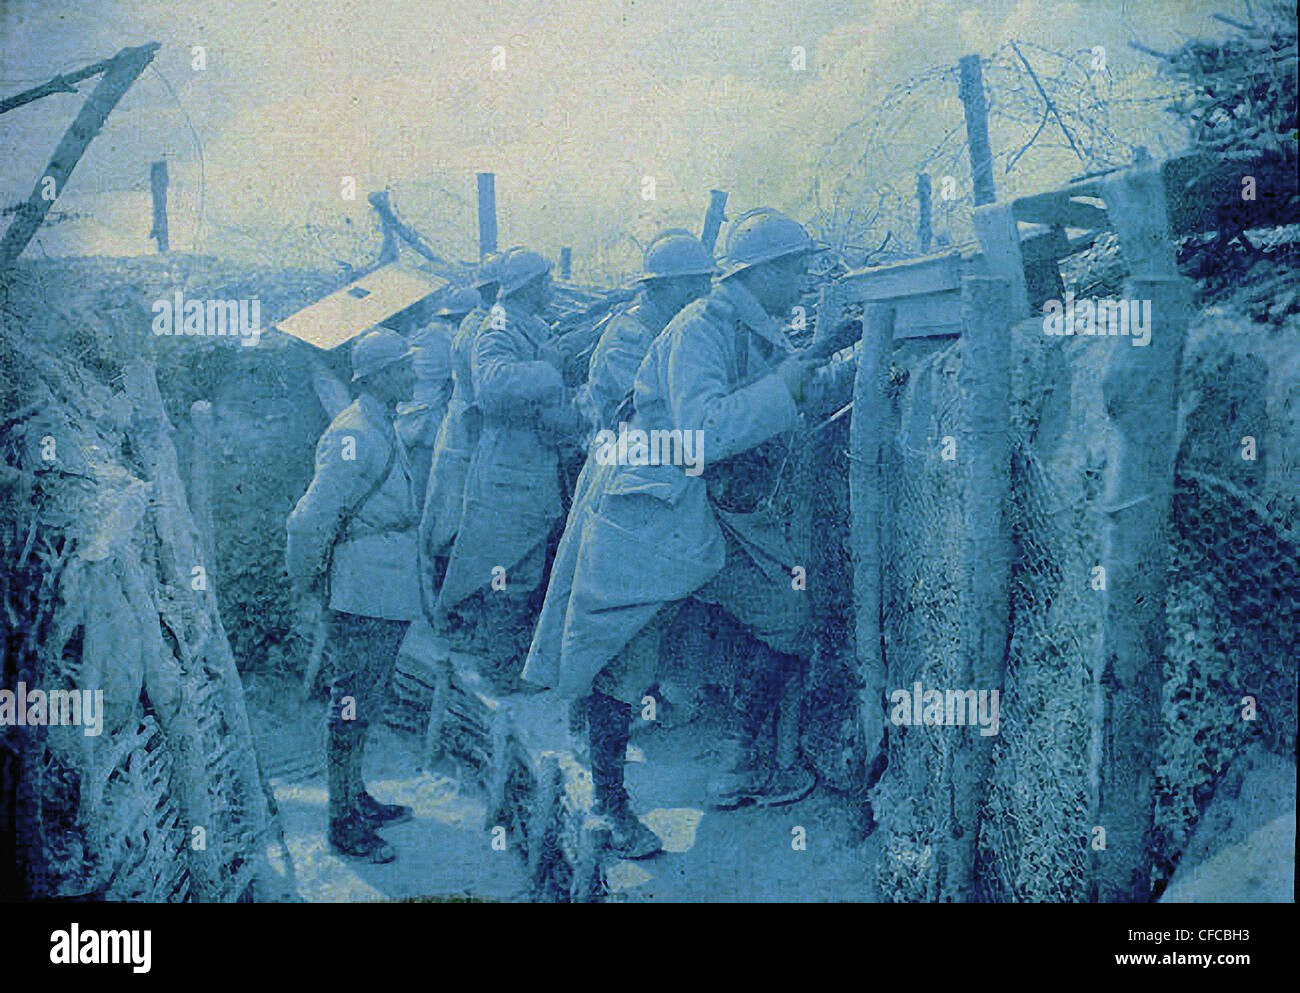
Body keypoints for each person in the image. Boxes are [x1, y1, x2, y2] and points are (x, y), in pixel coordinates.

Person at [522, 209, 861, 858]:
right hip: (648, 513)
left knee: (788, 617)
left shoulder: (752, 329)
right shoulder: (700, 329)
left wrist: (845, 356)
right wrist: (797, 371)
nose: (802, 280)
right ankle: (611, 803)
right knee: (622, 659)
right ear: (759, 274)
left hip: (707, 518)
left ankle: (739, 763)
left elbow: (796, 399)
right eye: (793, 268)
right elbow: (702, 433)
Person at [286, 328, 421, 863]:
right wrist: (305, 583)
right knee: (350, 705)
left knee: (366, 700)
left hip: (383, 589)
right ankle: (341, 821)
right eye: (403, 369)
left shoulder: (378, 424)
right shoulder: (353, 434)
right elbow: (307, 521)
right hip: (361, 593)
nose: (412, 376)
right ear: (378, 377)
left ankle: (355, 796)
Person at [433, 249, 578, 688]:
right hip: (509, 472)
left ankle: (498, 659)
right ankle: (496, 666)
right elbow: (493, 386)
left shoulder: (524, 325)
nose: (551, 290)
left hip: (526, 471)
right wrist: (549, 371)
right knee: (504, 570)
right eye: (545, 282)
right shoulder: (497, 326)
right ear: (527, 287)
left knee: (520, 570)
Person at [396, 287, 479, 501]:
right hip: (423, 426)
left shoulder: (428, 336)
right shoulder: (439, 340)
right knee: (423, 489)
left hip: (409, 421)